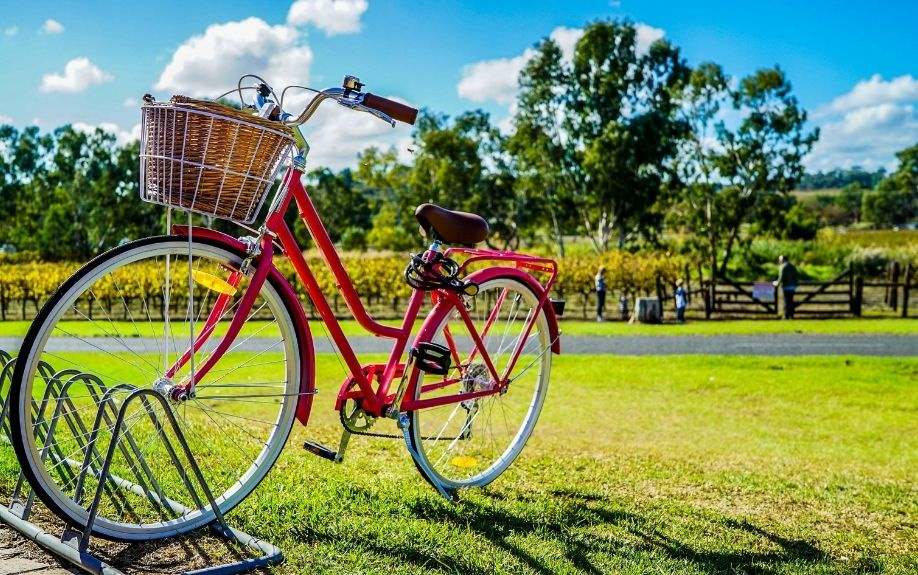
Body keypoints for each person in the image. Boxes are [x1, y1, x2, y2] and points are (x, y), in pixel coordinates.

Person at [773, 255, 798, 319]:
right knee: (791, 301)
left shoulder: (783, 267)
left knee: (786, 301)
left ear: (783, 260)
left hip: (786, 286)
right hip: (793, 286)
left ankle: (786, 315)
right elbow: (796, 276)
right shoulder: (792, 266)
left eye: (780, 260)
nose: (779, 261)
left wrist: (777, 283)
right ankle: (791, 315)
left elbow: (781, 277)